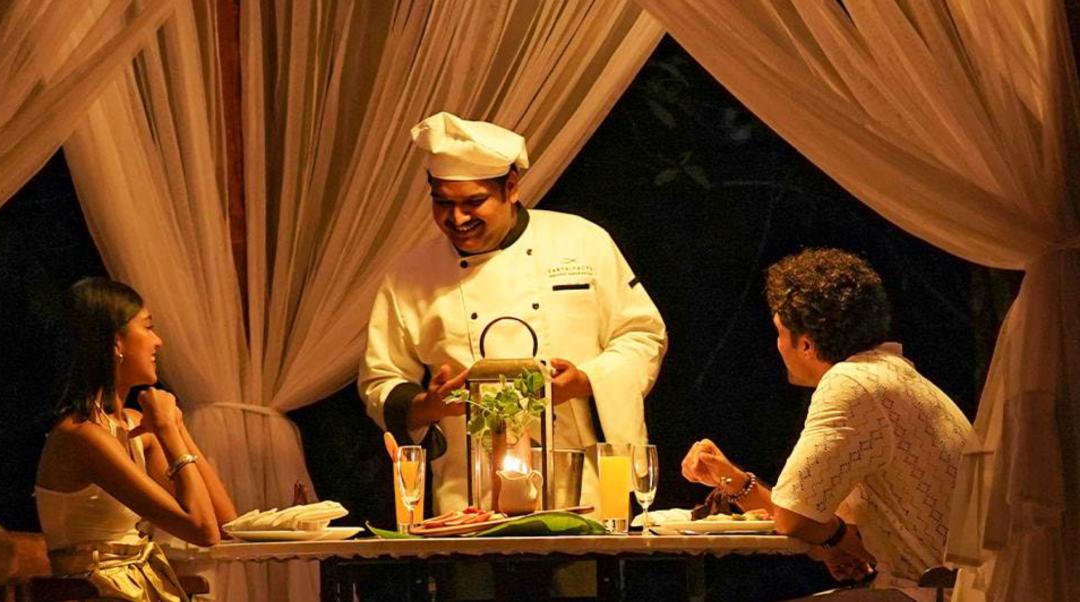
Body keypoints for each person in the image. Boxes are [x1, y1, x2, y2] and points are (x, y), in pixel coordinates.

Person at [359, 112, 668, 514]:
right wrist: (429, 405)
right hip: (467, 495)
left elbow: (643, 335)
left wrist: (585, 380)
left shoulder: (582, 242)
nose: (457, 218)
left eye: (473, 202)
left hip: (585, 484)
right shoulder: (410, 275)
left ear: (511, 187)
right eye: (443, 203)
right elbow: (381, 378)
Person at [681, 248, 971, 601]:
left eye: (779, 332)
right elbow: (811, 515)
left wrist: (834, 539)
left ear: (806, 344)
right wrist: (732, 480)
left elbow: (793, 518)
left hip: (928, 593)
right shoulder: (890, 373)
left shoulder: (851, 383)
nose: (777, 346)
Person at [36, 278, 237, 601]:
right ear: (116, 342)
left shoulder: (132, 426)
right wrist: (167, 431)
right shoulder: (83, 436)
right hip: (98, 592)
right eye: (148, 327)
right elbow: (203, 531)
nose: (158, 341)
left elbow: (226, 525)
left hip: (135, 587)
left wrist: (176, 426)